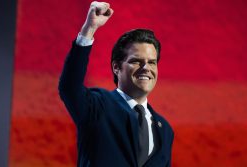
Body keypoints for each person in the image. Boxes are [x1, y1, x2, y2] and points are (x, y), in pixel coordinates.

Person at [58, 1, 174, 167]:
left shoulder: (165, 130)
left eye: (152, 62)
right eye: (136, 61)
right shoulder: (97, 106)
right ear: (116, 67)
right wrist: (89, 29)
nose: (145, 68)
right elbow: (69, 88)